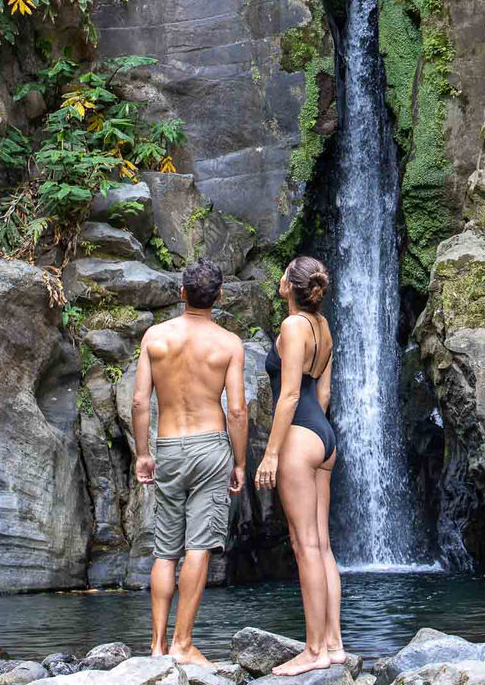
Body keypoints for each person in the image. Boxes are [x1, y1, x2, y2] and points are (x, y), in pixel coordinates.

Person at [131, 259, 248, 666]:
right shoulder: (229, 344)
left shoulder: (155, 337)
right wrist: (240, 461)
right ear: (218, 297)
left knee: (165, 551)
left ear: (181, 293)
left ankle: (158, 645)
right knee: (198, 546)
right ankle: (184, 644)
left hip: (168, 445)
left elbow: (138, 400)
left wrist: (143, 453)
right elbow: (236, 411)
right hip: (210, 446)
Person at [254, 256, 342, 675]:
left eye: (283, 271)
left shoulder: (292, 327)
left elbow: (289, 396)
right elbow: (321, 394)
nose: (279, 276)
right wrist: (315, 436)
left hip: (300, 436)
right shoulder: (323, 327)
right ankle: (334, 644)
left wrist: (273, 453)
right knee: (321, 545)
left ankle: (313, 652)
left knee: (304, 545)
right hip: (324, 436)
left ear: (290, 284)